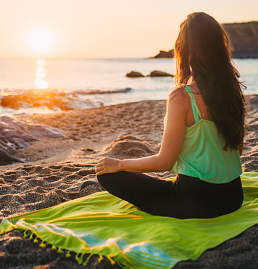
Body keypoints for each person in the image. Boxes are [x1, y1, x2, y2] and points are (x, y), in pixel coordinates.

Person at [95, 12, 246, 219]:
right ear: (220, 48)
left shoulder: (183, 97)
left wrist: (119, 164)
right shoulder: (232, 92)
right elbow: (237, 151)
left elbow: (165, 162)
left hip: (194, 202)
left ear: (185, 50)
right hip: (233, 198)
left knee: (107, 175)